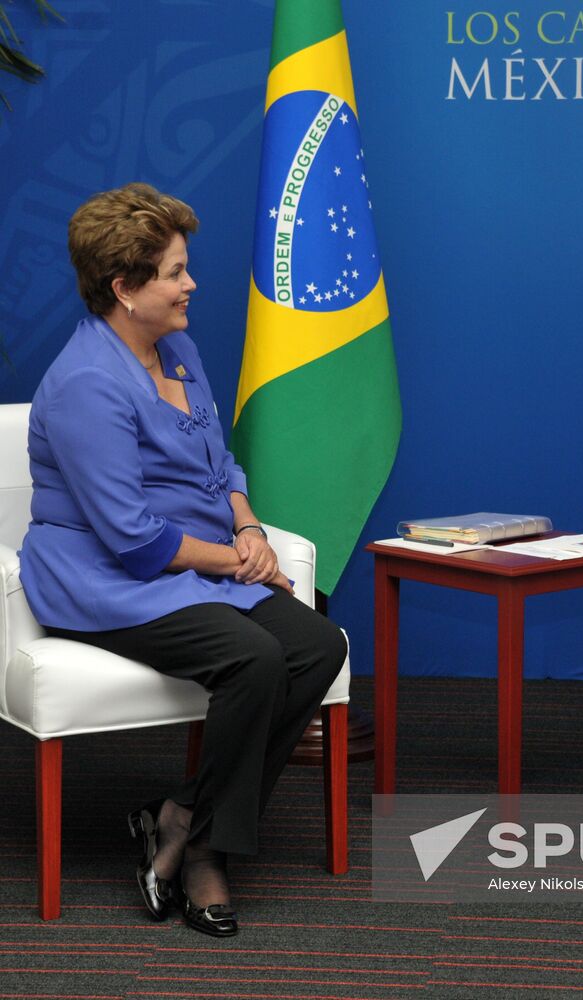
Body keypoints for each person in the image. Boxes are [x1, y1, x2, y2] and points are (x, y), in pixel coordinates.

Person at [19, 183, 346, 938]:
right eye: (173, 272)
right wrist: (237, 563)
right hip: (106, 580)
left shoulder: (180, 349)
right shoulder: (85, 386)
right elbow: (132, 538)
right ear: (125, 289)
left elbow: (217, 459)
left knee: (318, 644)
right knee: (254, 660)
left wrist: (250, 526)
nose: (191, 283)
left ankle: (181, 817)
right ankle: (206, 854)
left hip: (199, 558)